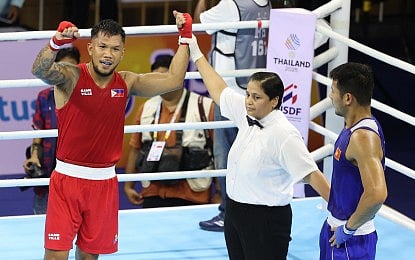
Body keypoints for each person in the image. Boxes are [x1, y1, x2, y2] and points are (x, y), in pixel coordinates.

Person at [31, 12, 192, 259]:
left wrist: (185, 37)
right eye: (103, 47)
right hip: (67, 179)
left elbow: (174, 79)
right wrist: (55, 43)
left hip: (104, 182)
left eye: (115, 49)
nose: (108, 54)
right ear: (91, 47)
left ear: (122, 53)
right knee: (55, 255)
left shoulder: (126, 82)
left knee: (89, 256)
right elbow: (40, 70)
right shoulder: (71, 76)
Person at [179, 30, 331, 259]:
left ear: (274, 101)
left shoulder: (284, 134)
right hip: (235, 212)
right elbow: (219, 90)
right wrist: (197, 51)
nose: (249, 101)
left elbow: (311, 174)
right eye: (248, 94)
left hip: (266, 220)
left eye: (256, 97)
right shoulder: (246, 112)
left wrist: (343, 215)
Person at [194, 0, 272, 232]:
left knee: (226, 155)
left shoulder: (232, 5)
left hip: (229, 93)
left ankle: (229, 213)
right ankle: (250, 213)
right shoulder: (264, 2)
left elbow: (201, 21)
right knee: (250, 154)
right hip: (252, 91)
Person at [124, 54, 215, 208]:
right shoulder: (146, 108)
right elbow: (136, 148)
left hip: (192, 195)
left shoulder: (205, 106)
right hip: (152, 192)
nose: (161, 83)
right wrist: (128, 185)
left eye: (166, 77)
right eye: (156, 79)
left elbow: (218, 151)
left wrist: (220, 193)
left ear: (178, 76)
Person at [319, 62, 387, 260]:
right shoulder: (354, 127)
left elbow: (377, 194)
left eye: (333, 91)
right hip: (338, 232)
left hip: (351, 242)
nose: (331, 97)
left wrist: (348, 229)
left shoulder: (363, 138)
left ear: (348, 98)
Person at [22, 47, 81, 215]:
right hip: (48, 166)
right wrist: (34, 155)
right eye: (62, 66)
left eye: (71, 67)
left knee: (73, 219)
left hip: (74, 168)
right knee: (41, 220)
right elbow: (38, 131)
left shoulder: (85, 95)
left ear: (79, 67)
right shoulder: (44, 96)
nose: (66, 72)